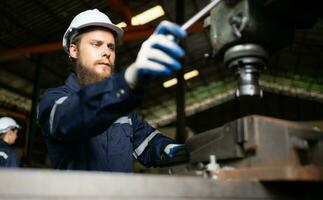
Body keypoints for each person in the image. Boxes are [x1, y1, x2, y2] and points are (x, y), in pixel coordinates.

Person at [37, 9, 187, 172]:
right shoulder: (54, 100)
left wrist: (177, 150)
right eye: (96, 44)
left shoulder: (125, 113)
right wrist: (127, 80)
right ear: (74, 50)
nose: (107, 52)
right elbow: (71, 116)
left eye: (111, 47)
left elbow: (149, 143)